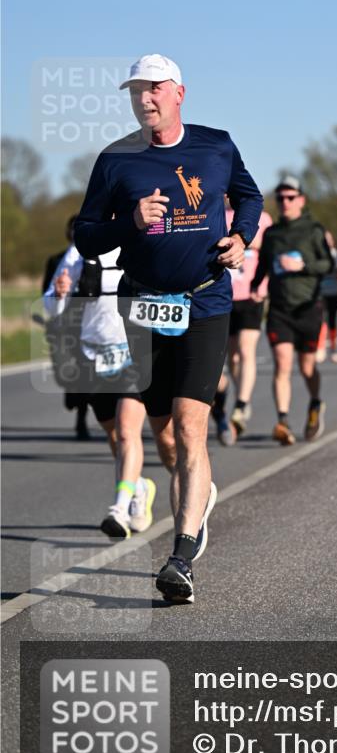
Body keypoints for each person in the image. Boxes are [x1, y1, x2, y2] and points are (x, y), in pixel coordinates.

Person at [74, 53, 263, 604]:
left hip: (205, 301)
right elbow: (86, 235)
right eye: (137, 91)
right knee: (164, 435)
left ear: (179, 92)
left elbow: (249, 196)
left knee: (189, 425)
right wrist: (128, 223)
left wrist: (241, 237)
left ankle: (180, 558)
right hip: (142, 305)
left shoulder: (216, 146)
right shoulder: (115, 160)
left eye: (154, 88)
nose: (145, 99)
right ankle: (198, 495)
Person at [44, 244, 170, 538]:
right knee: (114, 434)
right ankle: (139, 487)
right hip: (94, 355)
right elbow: (51, 305)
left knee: (127, 430)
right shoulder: (82, 249)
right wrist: (60, 293)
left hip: (136, 347)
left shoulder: (142, 240)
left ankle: (119, 509)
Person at [249, 175, 333, 445]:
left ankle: (316, 403)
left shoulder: (313, 230)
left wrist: (303, 265)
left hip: (308, 307)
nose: (285, 202)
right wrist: (255, 285)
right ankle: (283, 421)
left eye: (290, 197)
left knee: (307, 367)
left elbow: (328, 264)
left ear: (301, 200)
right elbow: (263, 264)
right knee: (282, 363)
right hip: (279, 309)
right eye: (280, 198)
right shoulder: (271, 234)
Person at [211, 201, 273, 445]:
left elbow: (271, 252)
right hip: (223, 295)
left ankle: (241, 403)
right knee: (232, 358)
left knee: (247, 350)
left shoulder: (262, 217)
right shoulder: (214, 213)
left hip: (251, 294)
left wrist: (263, 286)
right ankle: (235, 394)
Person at [41, 215, 91, 440]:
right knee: (67, 369)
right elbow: (47, 293)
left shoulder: (95, 257)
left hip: (88, 323)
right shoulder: (56, 261)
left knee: (84, 372)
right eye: (72, 229)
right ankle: (71, 391)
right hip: (64, 324)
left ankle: (81, 419)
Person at [316, 231, 337, 363]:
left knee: (333, 321)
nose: (327, 242)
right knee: (321, 320)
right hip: (320, 292)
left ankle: (333, 349)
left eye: (329, 239)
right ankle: (320, 348)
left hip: (334, 292)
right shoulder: (317, 254)